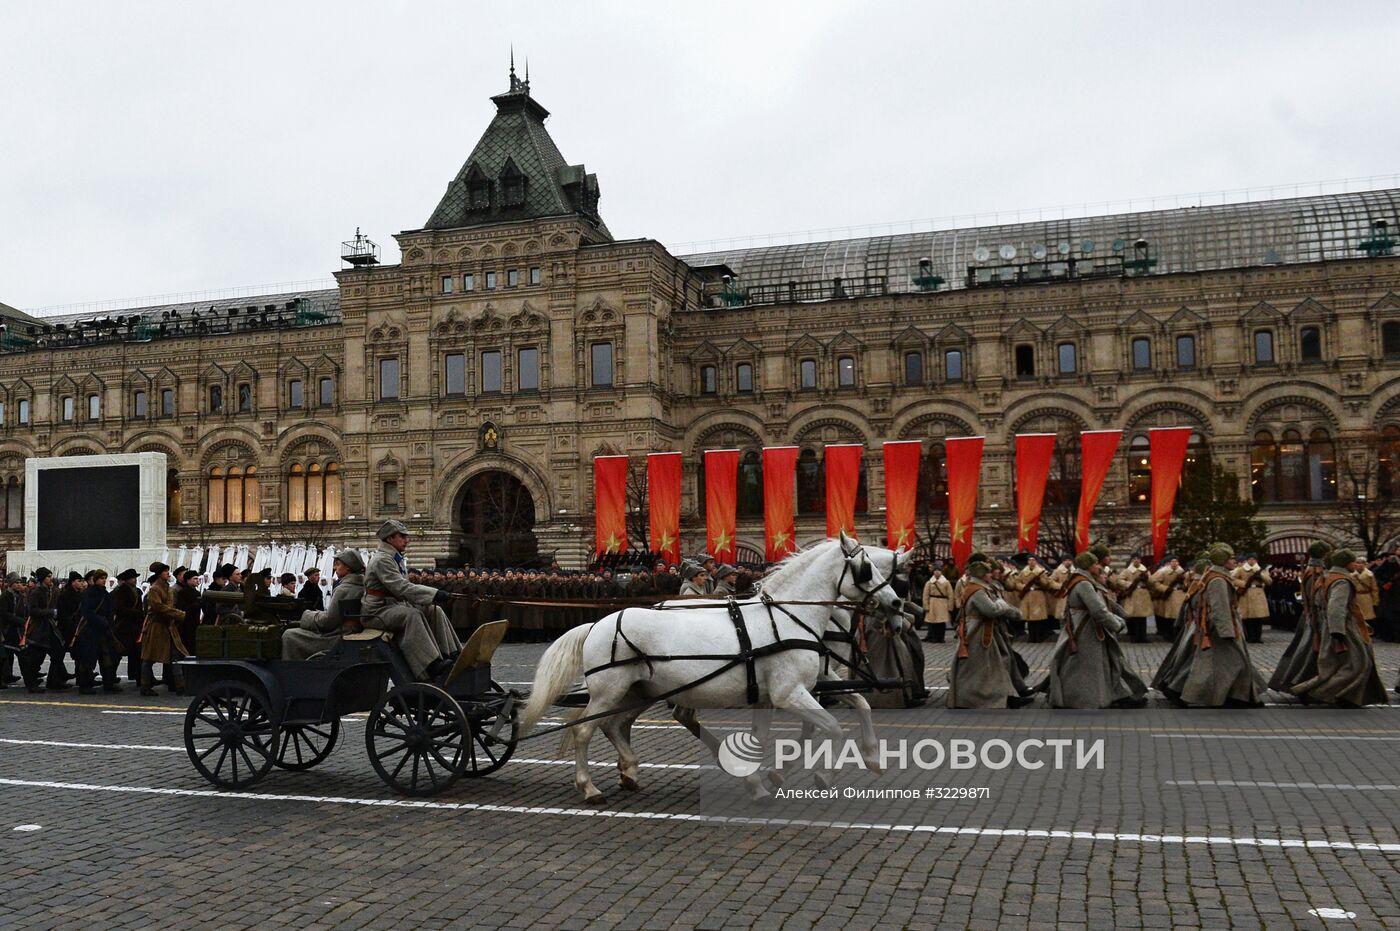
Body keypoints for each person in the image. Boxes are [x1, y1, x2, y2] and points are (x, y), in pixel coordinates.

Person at [1157, 543, 1266, 707]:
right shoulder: (1218, 579)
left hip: (1219, 626)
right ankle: (1237, 697)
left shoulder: (1217, 575)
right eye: (1230, 558)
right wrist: (1227, 631)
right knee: (1234, 661)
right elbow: (1219, 607)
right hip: (1221, 628)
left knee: (1208, 662)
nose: (1234, 561)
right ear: (1223, 561)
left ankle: (1235, 696)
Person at [1040, 551, 1148, 708]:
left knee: (1105, 662)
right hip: (1087, 632)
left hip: (1088, 629)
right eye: (1096, 564)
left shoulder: (1081, 580)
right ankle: (1074, 698)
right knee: (1085, 666)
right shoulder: (1084, 584)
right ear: (1089, 566)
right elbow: (1098, 610)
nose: (1099, 566)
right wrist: (1117, 624)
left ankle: (1117, 695)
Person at [362, 520, 462, 681]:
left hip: (393, 606)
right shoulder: (383, 560)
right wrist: (434, 593)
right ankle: (430, 664)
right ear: (389, 539)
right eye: (402, 536)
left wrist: (432, 598)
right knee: (412, 615)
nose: (407, 540)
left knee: (433, 610)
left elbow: (404, 588)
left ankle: (450, 653)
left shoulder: (394, 558)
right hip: (377, 611)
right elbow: (401, 587)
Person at [1292, 550, 1389, 706]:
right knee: (1357, 664)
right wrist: (1338, 632)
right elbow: (1336, 607)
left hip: (1331, 627)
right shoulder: (1342, 581)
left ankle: (1346, 696)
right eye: (1353, 561)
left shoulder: (1327, 578)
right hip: (1344, 628)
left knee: (1336, 666)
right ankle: (1315, 693)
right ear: (1346, 563)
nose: (1355, 564)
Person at [947, 560, 1033, 709]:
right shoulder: (977, 590)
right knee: (978, 666)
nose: (991, 575)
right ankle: (970, 698)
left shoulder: (980, 587)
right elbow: (991, 610)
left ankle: (1007, 695)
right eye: (988, 573)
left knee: (997, 663)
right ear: (981, 575)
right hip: (978, 632)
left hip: (984, 630)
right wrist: (1002, 604)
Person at [1269, 542, 1330, 695]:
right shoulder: (1316, 572)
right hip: (1316, 618)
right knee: (1308, 652)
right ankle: (1299, 683)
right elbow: (1316, 597)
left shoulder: (1312, 570)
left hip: (1313, 615)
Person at [282, 551, 366, 661]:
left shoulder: (343, 589)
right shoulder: (360, 585)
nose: (335, 567)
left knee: (289, 635)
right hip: (348, 630)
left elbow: (328, 621)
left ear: (348, 568)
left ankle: (294, 672)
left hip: (337, 636)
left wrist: (306, 615)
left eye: (338, 564)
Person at [138, 562, 187, 696]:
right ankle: (145, 685)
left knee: (175, 655)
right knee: (149, 657)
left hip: (168, 626)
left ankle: (180, 686)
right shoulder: (155, 589)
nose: (168, 574)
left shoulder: (168, 588)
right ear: (160, 574)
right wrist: (178, 614)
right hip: (157, 627)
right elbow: (158, 607)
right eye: (166, 572)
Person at [73, 570, 122, 694]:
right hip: (91, 631)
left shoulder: (105, 593)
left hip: (104, 631)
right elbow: (87, 612)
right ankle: (85, 685)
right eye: (101, 578)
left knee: (107, 658)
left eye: (105, 578)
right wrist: (101, 620)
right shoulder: (89, 593)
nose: (103, 580)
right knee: (89, 659)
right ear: (95, 579)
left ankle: (108, 683)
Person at [20, 568, 68, 692]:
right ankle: (32, 684)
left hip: (50, 627)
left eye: (51, 576)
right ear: (42, 578)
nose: (50, 578)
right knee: (36, 658)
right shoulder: (36, 592)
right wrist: (51, 612)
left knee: (58, 653)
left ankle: (53, 681)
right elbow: (33, 611)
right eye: (48, 576)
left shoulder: (54, 591)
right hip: (39, 629)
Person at [111, 568, 144, 683]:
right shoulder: (121, 591)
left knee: (137, 653)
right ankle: (110, 676)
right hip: (124, 626)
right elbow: (119, 608)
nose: (135, 580)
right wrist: (135, 613)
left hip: (135, 626)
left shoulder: (138, 591)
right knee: (118, 652)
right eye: (132, 578)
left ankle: (138, 676)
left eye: (135, 578)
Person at [1231, 554, 1272, 643]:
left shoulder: (1260, 570)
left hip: (1258, 594)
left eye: (1254, 559)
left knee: (1258, 618)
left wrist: (1260, 574)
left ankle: (1257, 637)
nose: (1252, 561)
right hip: (1246, 593)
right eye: (1250, 559)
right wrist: (1243, 584)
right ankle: (1249, 636)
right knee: (1247, 617)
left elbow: (1269, 581)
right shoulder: (1241, 570)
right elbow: (1232, 579)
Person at [1114, 554, 1153, 644]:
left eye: (1138, 559)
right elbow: (1119, 580)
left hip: (1144, 594)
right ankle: (1134, 636)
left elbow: (1152, 582)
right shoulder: (1127, 571)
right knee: (1134, 617)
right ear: (1132, 560)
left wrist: (1147, 579)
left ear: (1140, 560)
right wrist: (1130, 584)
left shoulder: (1145, 570)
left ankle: (1143, 636)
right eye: (1134, 559)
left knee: (1143, 617)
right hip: (1133, 594)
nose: (1136, 560)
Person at [1, 573, 25, 688]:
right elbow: (5, 614)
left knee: (8, 654)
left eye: (20, 582)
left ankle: (7, 675)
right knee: (7, 654)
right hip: (7, 628)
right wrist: (19, 620)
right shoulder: (6, 595)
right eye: (17, 582)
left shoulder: (20, 595)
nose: (19, 584)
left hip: (16, 628)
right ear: (11, 584)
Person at [921, 567, 952, 643]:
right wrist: (926, 605)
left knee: (941, 622)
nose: (937, 572)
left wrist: (950, 606)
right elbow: (925, 595)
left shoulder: (946, 582)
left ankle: (941, 638)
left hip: (942, 603)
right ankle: (933, 637)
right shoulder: (929, 582)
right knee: (932, 622)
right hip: (932, 603)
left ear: (941, 572)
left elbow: (950, 595)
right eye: (935, 571)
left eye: (938, 571)